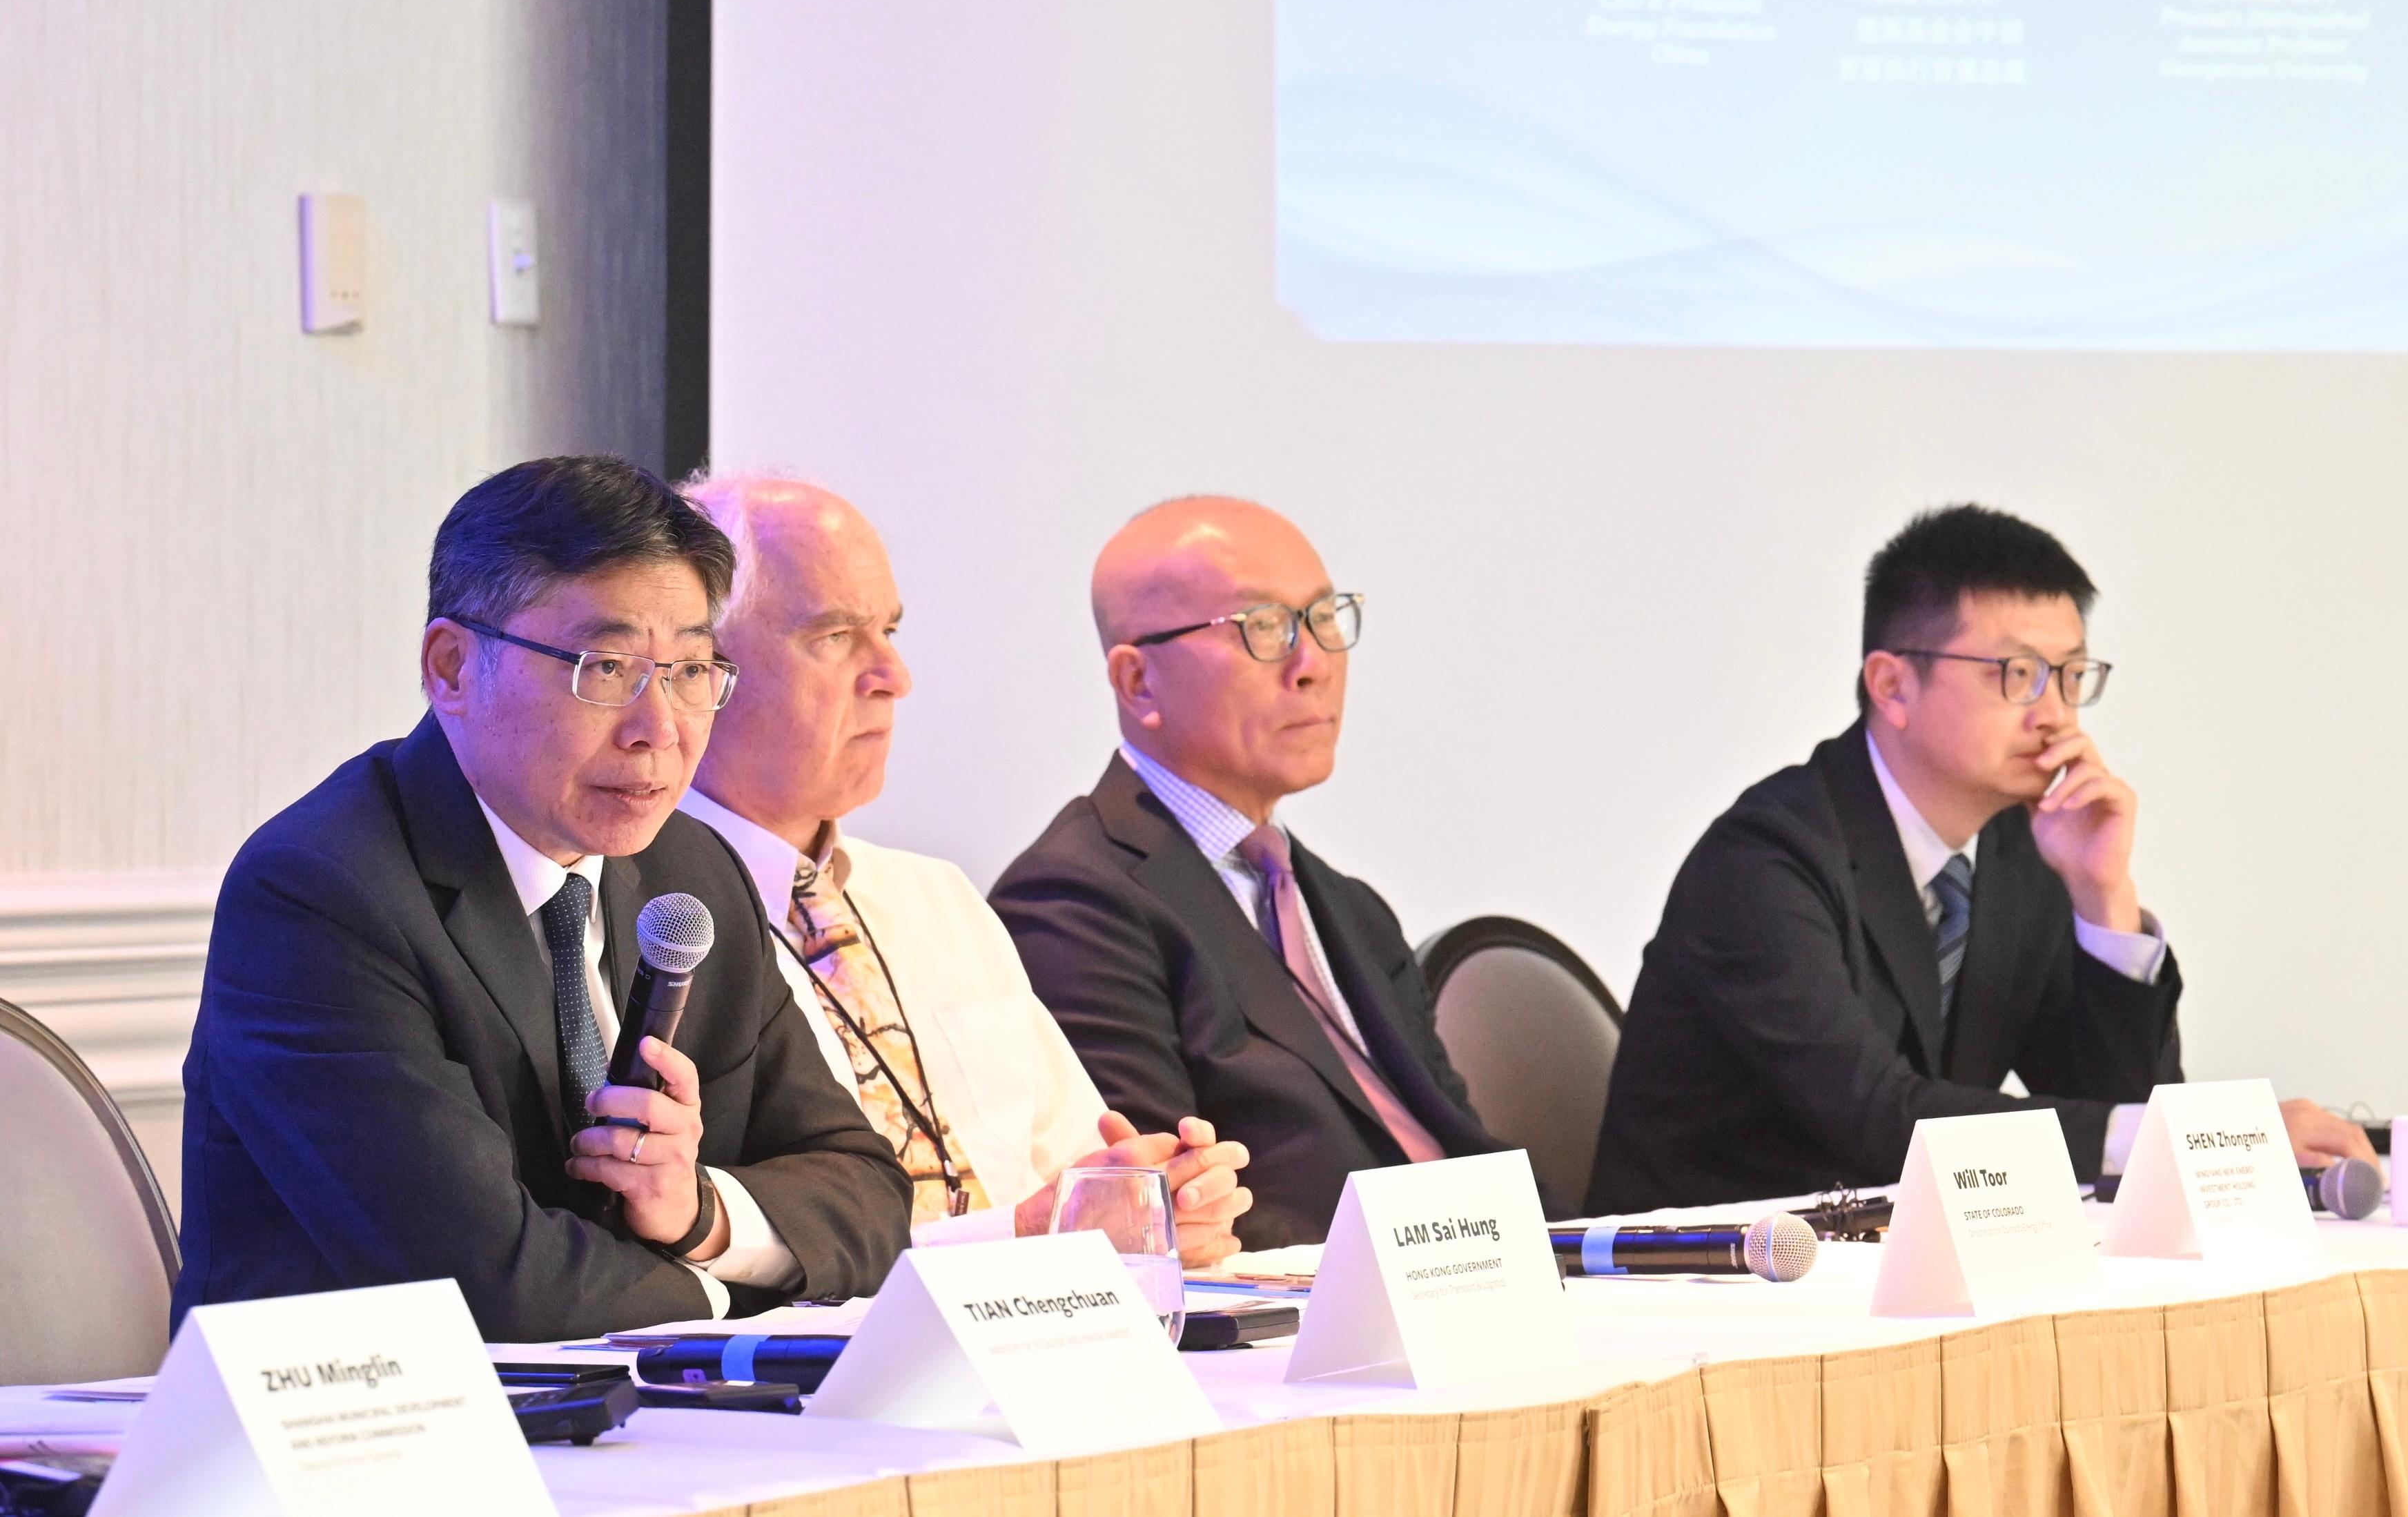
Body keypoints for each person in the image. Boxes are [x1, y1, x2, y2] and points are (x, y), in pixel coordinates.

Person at [175, 458, 911, 1342]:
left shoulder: (689, 872)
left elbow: (869, 1195)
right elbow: (496, 1289)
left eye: (689, 671)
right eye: (606, 668)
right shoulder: (322, 894)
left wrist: (701, 1215)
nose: (660, 729)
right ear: (452, 667)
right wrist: (724, 1294)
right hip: (356, 1442)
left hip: (636, 1436)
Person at [1590, 505, 2374, 1212]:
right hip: (1708, 1283)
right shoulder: (1764, 863)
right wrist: (2204, 1138)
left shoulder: (2018, 851)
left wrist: (2105, 900)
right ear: (1893, 685)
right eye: (2020, 674)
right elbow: (1878, 1115)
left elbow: (2114, 1116)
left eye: (2071, 676)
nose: (2057, 714)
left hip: (1901, 1270)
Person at [674, 473, 1255, 1263]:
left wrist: (1155, 1200)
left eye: (892, 631)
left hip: (1039, 1334)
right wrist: (1027, 1236)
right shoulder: (652, 919)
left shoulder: (932, 898)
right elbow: (749, 1249)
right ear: (701, 669)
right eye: (836, 636)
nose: (893, 677)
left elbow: (1075, 1175)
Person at [990, 498, 1507, 1251]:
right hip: (1313, 1322)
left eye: (1326, 617)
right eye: (1264, 629)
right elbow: (1170, 1213)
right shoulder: (1074, 900)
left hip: (1479, 1274)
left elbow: (1445, 1136)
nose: (1314, 665)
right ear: (1138, 682)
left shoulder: (1348, 908)